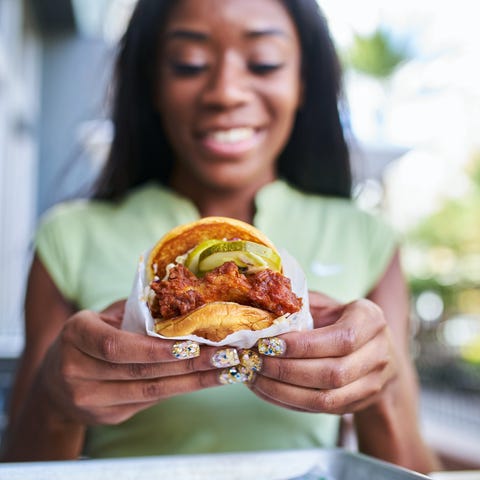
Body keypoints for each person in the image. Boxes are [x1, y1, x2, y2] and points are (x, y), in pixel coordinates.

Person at [1, 0, 440, 473]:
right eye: (189, 64)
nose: (226, 92)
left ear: (302, 82)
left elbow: (420, 469)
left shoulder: (366, 237)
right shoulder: (68, 237)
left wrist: (382, 386)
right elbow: (21, 465)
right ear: (152, 83)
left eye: (264, 62)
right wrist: (55, 400)